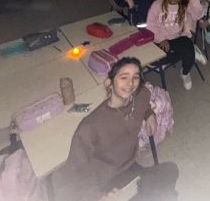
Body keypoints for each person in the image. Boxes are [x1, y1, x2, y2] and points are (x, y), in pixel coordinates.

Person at [53, 57, 179, 201]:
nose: (130, 83)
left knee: (171, 170)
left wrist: (149, 114)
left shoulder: (141, 96)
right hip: (104, 180)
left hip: (130, 167)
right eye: (124, 77)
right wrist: (98, 196)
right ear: (109, 83)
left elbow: (144, 99)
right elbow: (73, 174)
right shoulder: (90, 126)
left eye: (135, 77)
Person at [146, 0, 205, 90]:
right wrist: (161, 39)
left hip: (177, 37)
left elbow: (199, 15)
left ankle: (185, 73)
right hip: (160, 38)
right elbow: (150, 25)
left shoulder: (184, 6)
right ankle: (191, 51)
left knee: (188, 54)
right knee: (154, 62)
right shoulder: (158, 4)